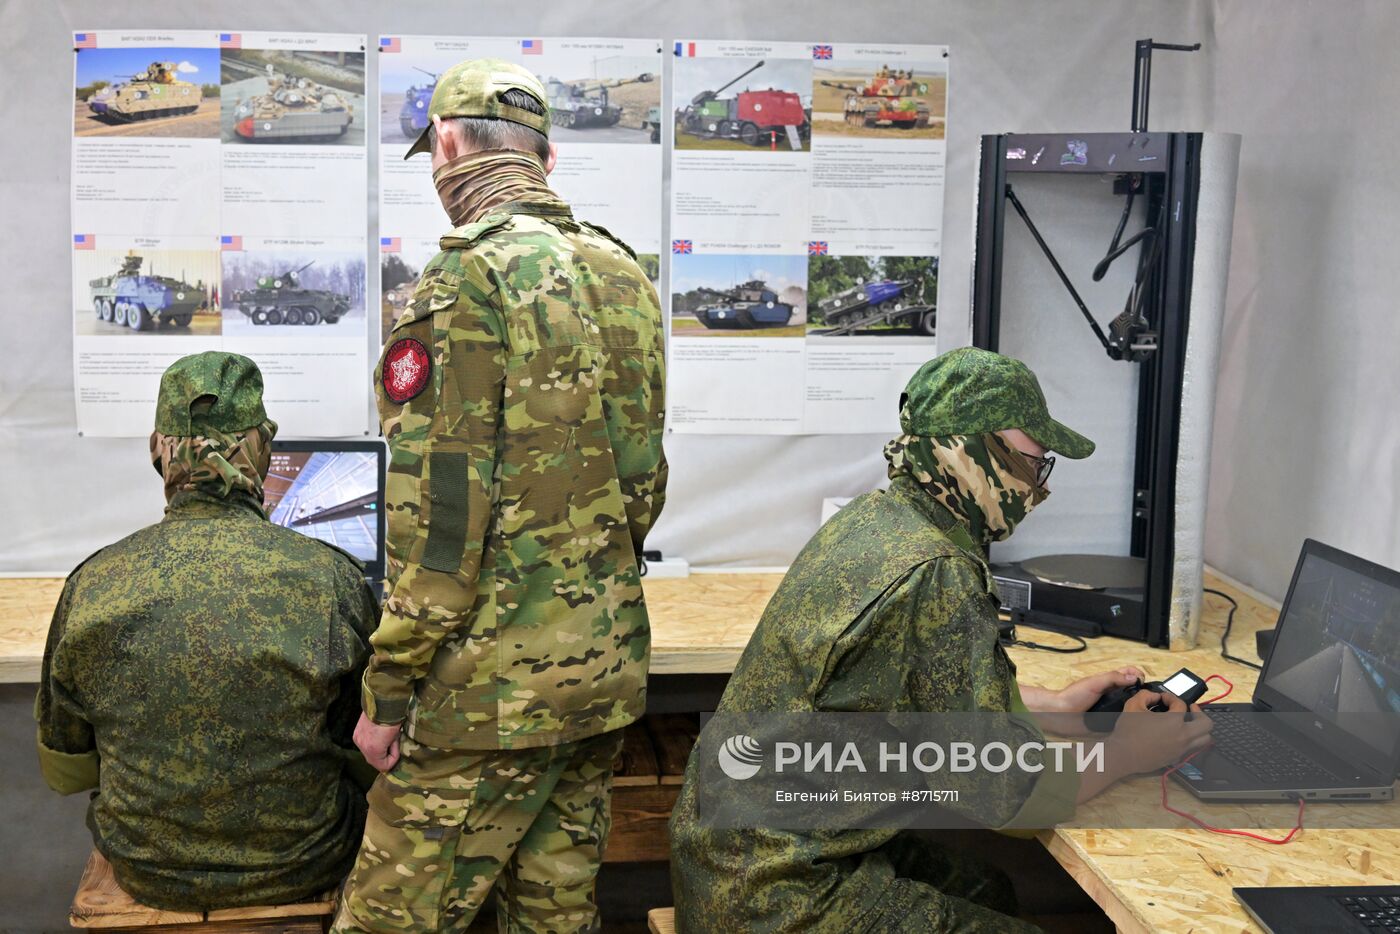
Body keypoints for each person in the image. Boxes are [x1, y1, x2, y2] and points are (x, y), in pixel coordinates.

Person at [668, 347, 1212, 932]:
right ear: (973, 454)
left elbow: (908, 690)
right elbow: (1009, 796)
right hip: (776, 893)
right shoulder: (937, 570)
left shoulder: (880, 518)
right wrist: (1131, 751)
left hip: (729, 851)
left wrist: (1053, 706)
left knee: (988, 886)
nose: (1038, 486)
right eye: (1034, 462)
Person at [333, 58, 667, 933]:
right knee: (555, 918)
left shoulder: (462, 283)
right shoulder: (625, 274)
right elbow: (642, 487)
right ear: (546, 160)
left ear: (446, 147)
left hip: (480, 699)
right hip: (599, 680)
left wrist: (388, 694)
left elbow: (438, 531)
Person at [36, 352, 377, 911]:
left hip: (146, 867)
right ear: (264, 449)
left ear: (157, 451)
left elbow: (66, 768)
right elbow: (362, 746)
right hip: (305, 860)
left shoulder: (92, 584)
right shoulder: (332, 580)